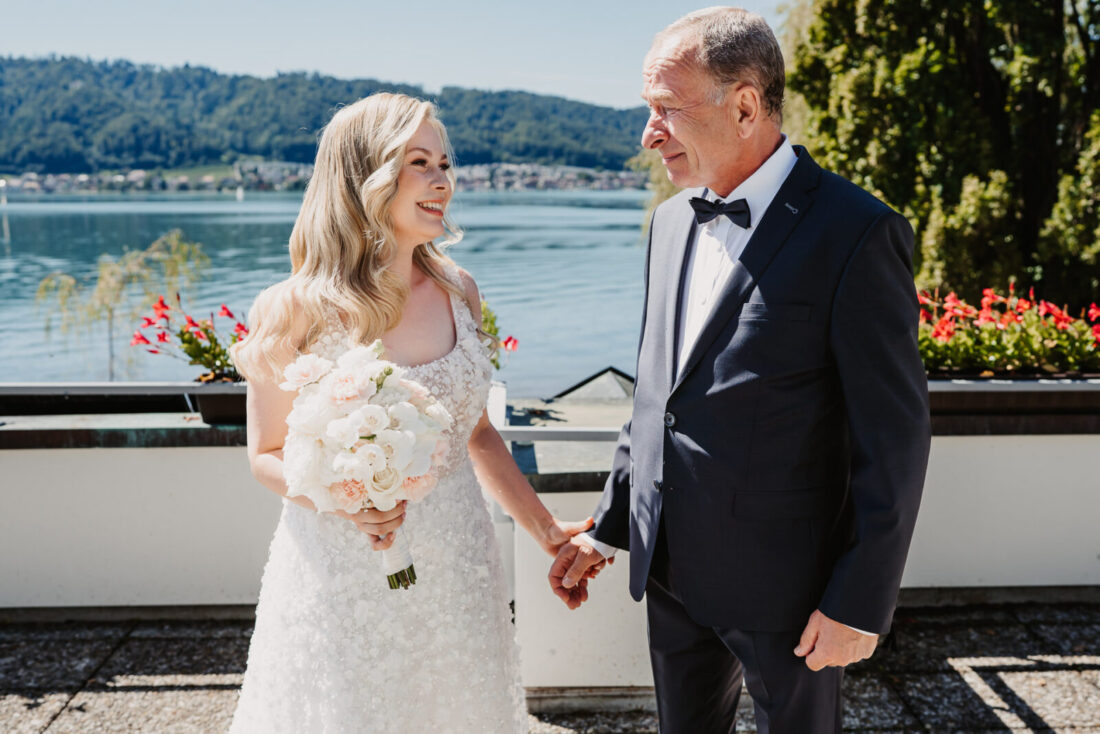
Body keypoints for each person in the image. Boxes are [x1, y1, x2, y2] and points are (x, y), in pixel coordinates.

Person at [549, 8, 931, 732]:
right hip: (668, 573)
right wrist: (610, 526)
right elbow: (657, 394)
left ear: (747, 105)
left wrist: (859, 601)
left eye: (667, 109)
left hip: (790, 588)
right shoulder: (669, 223)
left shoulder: (856, 233)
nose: (648, 133)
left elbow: (895, 441)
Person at [228, 92, 592, 733]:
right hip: (343, 567)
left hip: (458, 562)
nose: (442, 181)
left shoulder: (460, 291)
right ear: (365, 175)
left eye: (444, 163)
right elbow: (266, 455)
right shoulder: (293, 308)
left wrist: (545, 532)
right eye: (418, 162)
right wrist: (344, 499)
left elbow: (476, 433)